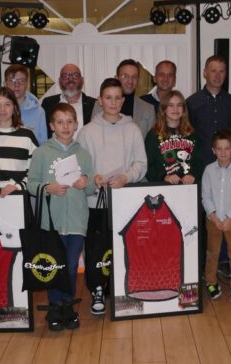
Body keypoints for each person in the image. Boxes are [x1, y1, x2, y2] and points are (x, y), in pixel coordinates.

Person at [78, 78, 147, 315]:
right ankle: (97, 288)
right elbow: (80, 166)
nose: (113, 102)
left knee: (124, 246)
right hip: (95, 201)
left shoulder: (133, 129)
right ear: (100, 100)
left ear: (123, 100)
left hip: (125, 200)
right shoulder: (87, 131)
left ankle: (122, 288)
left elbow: (141, 163)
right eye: (108, 97)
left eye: (118, 97)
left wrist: (126, 177)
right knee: (97, 248)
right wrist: (93, 178)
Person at [28, 103, 95, 331]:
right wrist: (49, 188)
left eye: (69, 121)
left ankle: (68, 306)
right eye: (60, 122)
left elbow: (91, 188)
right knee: (54, 266)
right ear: (51, 126)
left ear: (76, 125)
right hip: (51, 221)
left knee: (69, 266)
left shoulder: (83, 154)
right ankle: (55, 307)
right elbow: (31, 184)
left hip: (76, 220)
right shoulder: (41, 152)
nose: (65, 126)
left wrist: (87, 182)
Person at [187, 55, 231, 279]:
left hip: (228, 170)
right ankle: (202, 263)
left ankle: (223, 260)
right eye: (213, 70)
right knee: (203, 216)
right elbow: (187, 137)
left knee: (226, 211)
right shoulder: (192, 102)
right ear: (204, 72)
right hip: (201, 168)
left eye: (222, 71)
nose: (217, 75)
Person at [202, 130, 231, 303]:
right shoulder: (208, 170)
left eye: (227, 148)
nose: (223, 152)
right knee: (212, 252)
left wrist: (228, 218)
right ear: (213, 150)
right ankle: (211, 282)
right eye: (219, 148)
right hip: (213, 220)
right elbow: (205, 195)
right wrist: (213, 216)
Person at [0, 64, 47, 144]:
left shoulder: (38, 112)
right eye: (12, 80)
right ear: (5, 84)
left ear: (27, 84)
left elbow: (43, 145)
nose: (17, 85)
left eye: (21, 81)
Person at [145, 90, 201, 184]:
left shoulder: (192, 134)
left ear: (184, 109)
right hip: (163, 188)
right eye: (171, 105)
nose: (175, 109)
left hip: (188, 188)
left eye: (179, 105)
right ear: (164, 108)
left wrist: (193, 174)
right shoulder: (153, 135)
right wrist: (163, 177)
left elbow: (200, 162)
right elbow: (147, 166)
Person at [92, 59, 155, 139]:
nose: (130, 81)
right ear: (116, 78)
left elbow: (150, 143)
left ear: (138, 80)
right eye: (125, 76)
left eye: (134, 77)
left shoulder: (148, 109)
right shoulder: (100, 105)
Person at [41, 63, 96, 140]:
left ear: (82, 80)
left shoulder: (94, 104)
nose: (70, 79)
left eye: (75, 75)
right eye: (65, 76)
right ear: (59, 81)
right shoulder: (48, 103)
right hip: (56, 151)